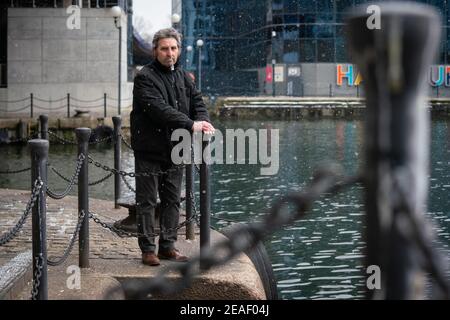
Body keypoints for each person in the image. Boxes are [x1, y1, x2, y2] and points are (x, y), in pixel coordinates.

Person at [131, 28, 215, 266]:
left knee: (172, 200)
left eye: (174, 48)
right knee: (146, 201)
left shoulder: (183, 77)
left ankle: (168, 246)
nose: (170, 53)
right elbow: (158, 109)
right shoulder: (144, 77)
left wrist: (204, 121)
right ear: (155, 50)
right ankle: (148, 250)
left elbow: (197, 101)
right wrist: (191, 124)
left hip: (176, 148)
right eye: (165, 49)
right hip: (149, 149)